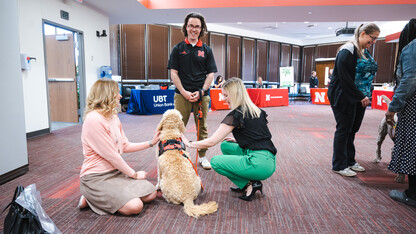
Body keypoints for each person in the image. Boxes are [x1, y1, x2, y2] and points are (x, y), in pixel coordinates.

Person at [182, 77, 277, 202]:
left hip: (258, 163)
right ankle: (251, 181)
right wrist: (239, 141)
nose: (224, 98)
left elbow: (212, 141)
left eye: (226, 95)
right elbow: (259, 136)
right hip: (269, 160)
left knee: (215, 162)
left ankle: (249, 184)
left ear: (234, 94)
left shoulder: (236, 115)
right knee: (226, 145)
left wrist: (189, 143)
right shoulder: (257, 111)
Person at [78, 78, 160, 215]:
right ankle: (91, 196)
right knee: (136, 206)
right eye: (117, 92)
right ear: (107, 95)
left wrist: (150, 143)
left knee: (151, 193)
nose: (120, 96)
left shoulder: (113, 117)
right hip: (96, 177)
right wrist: (134, 175)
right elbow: (113, 157)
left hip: (115, 172)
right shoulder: (93, 119)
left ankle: (102, 198)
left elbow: (124, 145)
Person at [327, 23, 380, 177]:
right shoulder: (347, 50)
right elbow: (345, 79)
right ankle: (339, 164)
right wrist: (360, 96)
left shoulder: (364, 51)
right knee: (344, 129)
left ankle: (350, 160)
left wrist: (365, 94)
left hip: (360, 96)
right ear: (363, 33)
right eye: (373, 38)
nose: (374, 41)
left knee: (353, 129)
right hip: (343, 96)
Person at [168, 12, 217, 170]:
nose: (193, 29)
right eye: (191, 26)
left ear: (201, 29)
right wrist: (183, 91)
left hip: (201, 95)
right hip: (182, 94)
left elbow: (211, 74)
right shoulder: (178, 49)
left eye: (197, 26)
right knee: (178, 125)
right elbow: (173, 73)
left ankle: (202, 156)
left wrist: (202, 92)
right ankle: (176, 153)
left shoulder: (207, 50)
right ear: (186, 27)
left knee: (201, 126)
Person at [385, 18, 416, 207]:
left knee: (412, 148)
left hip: (413, 107)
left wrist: (392, 108)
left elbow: (410, 79)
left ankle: (412, 195)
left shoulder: (412, 47)